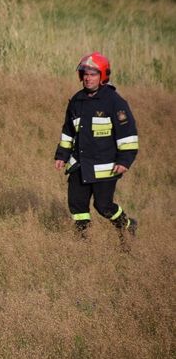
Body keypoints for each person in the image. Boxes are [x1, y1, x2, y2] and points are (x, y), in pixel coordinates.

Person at [54, 52, 139, 244]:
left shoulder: (114, 102)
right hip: (79, 164)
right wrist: (62, 155)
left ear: (103, 76)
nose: (87, 77)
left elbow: (128, 136)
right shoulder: (76, 100)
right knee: (77, 205)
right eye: (85, 73)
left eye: (92, 74)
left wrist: (124, 161)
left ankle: (127, 225)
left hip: (105, 167)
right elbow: (68, 131)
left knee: (103, 206)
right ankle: (82, 241)